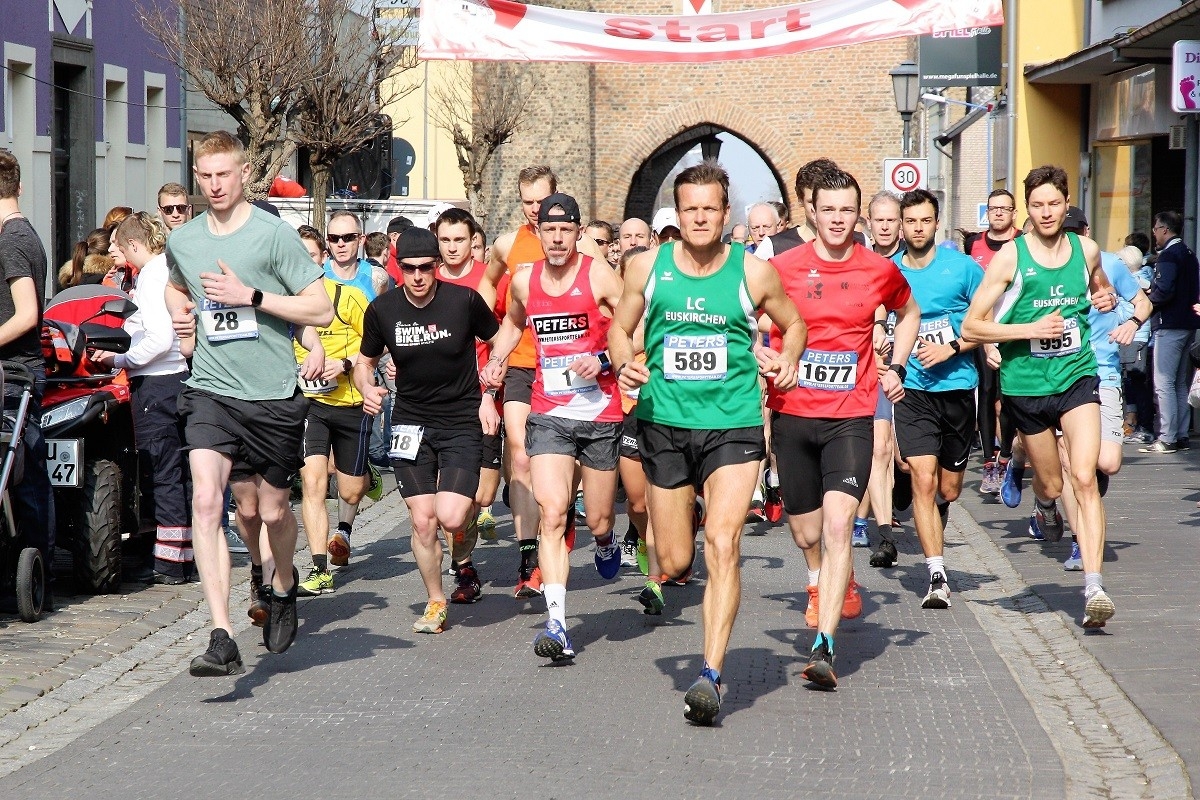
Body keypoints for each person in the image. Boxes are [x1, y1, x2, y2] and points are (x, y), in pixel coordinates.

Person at [610, 161, 804, 725]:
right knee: (673, 559)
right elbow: (620, 331)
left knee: (723, 541)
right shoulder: (648, 266)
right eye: (690, 208)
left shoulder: (754, 271)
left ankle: (712, 674)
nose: (700, 218)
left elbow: (795, 325)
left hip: (733, 423)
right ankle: (681, 522)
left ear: (726, 214)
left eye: (710, 208)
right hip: (664, 423)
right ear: (678, 213)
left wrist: (787, 361)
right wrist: (624, 364)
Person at [166, 130, 333, 676]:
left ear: (243, 175)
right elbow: (176, 284)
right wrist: (181, 317)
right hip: (211, 389)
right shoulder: (185, 240)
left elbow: (321, 310)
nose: (214, 185)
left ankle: (282, 585)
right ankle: (221, 634)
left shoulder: (272, 236)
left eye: (224, 175)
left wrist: (252, 297)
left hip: (272, 395)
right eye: (205, 176)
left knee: (273, 511)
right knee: (209, 504)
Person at [765, 168, 918, 689]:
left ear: (858, 215)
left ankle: (824, 646)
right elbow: (749, 322)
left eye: (847, 211)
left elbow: (909, 311)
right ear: (811, 211)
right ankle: (822, 579)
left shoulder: (877, 270)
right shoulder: (781, 267)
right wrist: (765, 354)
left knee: (837, 528)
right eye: (828, 210)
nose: (837, 219)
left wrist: (896, 365)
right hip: (793, 415)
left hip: (850, 417)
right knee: (806, 531)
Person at [962, 165, 1118, 629]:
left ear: (1066, 204)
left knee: (1084, 475)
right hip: (1025, 386)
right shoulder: (1010, 258)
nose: (1047, 212)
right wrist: (1028, 329)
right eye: (1037, 205)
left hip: (1076, 376)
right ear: (1026, 211)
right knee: (1052, 483)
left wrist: (1106, 296)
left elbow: (1100, 288)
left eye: (1054, 203)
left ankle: (1094, 587)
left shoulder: (1085, 249)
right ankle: (1041, 499)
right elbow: (972, 326)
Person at [482, 192, 627, 663]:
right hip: (549, 411)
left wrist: (604, 358)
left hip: (601, 411)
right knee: (553, 514)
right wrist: (498, 360)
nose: (558, 237)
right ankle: (558, 624)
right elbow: (512, 324)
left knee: (600, 517)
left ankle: (605, 541)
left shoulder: (598, 274)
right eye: (550, 229)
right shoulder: (523, 280)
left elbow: (636, 325)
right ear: (538, 232)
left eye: (567, 230)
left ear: (579, 233)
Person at [355, 228, 500, 634]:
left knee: (452, 517)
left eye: (425, 268)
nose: (418, 276)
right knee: (423, 521)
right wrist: (368, 387)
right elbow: (364, 362)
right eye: (409, 269)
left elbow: (500, 336)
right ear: (398, 268)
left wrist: (490, 385)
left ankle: (466, 527)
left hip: (460, 420)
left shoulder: (463, 301)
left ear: (437, 266)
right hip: (409, 421)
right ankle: (436, 601)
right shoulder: (383, 309)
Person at [889, 190, 986, 607]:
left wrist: (952, 346)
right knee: (922, 481)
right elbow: (876, 318)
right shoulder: (888, 270)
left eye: (925, 221)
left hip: (958, 388)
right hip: (912, 390)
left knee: (949, 488)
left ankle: (938, 517)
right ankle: (936, 574)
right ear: (901, 224)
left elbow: (987, 324)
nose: (917, 229)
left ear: (936, 223)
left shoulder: (963, 269)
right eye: (910, 221)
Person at [93, 212, 193, 584]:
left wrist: (121, 358)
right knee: (178, 473)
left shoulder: (152, 277)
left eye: (120, 246)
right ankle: (182, 555)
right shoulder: (165, 269)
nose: (116, 251)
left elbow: (158, 338)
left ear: (135, 245)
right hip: (175, 381)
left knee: (162, 471)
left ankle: (168, 565)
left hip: (155, 384)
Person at [434, 206, 504, 598]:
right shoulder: (424, 279)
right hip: (440, 407)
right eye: (445, 240)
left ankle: (465, 541)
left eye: (460, 239)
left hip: (483, 398)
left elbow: (505, 338)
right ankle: (463, 567)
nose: (452, 247)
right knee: (452, 498)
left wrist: (492, 392)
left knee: (481, 495)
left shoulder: (488, 281)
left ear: (473, 240)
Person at [0, 149, 55, 605]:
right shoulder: (24, 232)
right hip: (20, 372)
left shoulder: (11, 240)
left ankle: (34, 571)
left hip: (15, 373)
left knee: (24, 473)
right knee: (27, 473)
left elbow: (26, 315)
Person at [854, 190, 905, 561]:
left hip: (918, 369)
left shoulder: (912, 261)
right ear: (868, 223)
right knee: (880, 448)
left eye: (892, 219)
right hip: (873, 369)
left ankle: (893, 504)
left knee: (904, 461)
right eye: (879, 220)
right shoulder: (859, 263)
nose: (886, 226)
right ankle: (872, 525)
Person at [964, 189, 1023, 494]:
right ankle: (989, 462)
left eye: (1004, 209)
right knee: (986, 392)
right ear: (987, 213)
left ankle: (1009, 455)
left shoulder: (1024, 242)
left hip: (1017, 332)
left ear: (1014, 213)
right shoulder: (973, 244)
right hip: (985, 330)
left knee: (1010, 398)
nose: (998, 213)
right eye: (993, 209)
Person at [1139, 210, 1199, 454]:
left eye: (1155, 228)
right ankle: (1181, 434)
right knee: (1180, 383)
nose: (1154, 233)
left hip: (1169, 324)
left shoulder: (1168, 257)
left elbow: (1163, 291)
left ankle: (1167, 437)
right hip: (1188, 324)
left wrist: (1147, 296)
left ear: (1164, 229)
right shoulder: (1189, 254)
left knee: (1163, 382)